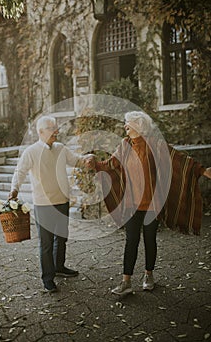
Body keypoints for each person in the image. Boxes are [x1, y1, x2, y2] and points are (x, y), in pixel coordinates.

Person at [86, 111, 211, 296]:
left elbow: (178, 159)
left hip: (152, 204)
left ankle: (148, 275)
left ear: (139, 125)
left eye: (128, 123)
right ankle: (126, 282)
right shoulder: (125, 145)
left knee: (150, 240)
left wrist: (202, 171)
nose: (125, 126)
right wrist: (95, 164)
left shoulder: (156, 145)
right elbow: (111, 164)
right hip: (131, 204)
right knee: (131, 241)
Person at [9, 115, 90, 293]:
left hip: (62, 202)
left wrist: (87, 158)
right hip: (43, 205)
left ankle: (59, 267)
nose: (57, 131)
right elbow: (20, 171)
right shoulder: (31, 152)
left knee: (61, 238)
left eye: (56, 128)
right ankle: (48, 278)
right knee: (46, 243)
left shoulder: (61, 148)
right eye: (52, 128)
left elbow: (76, 160)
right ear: (40, 132)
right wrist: (14, 189)